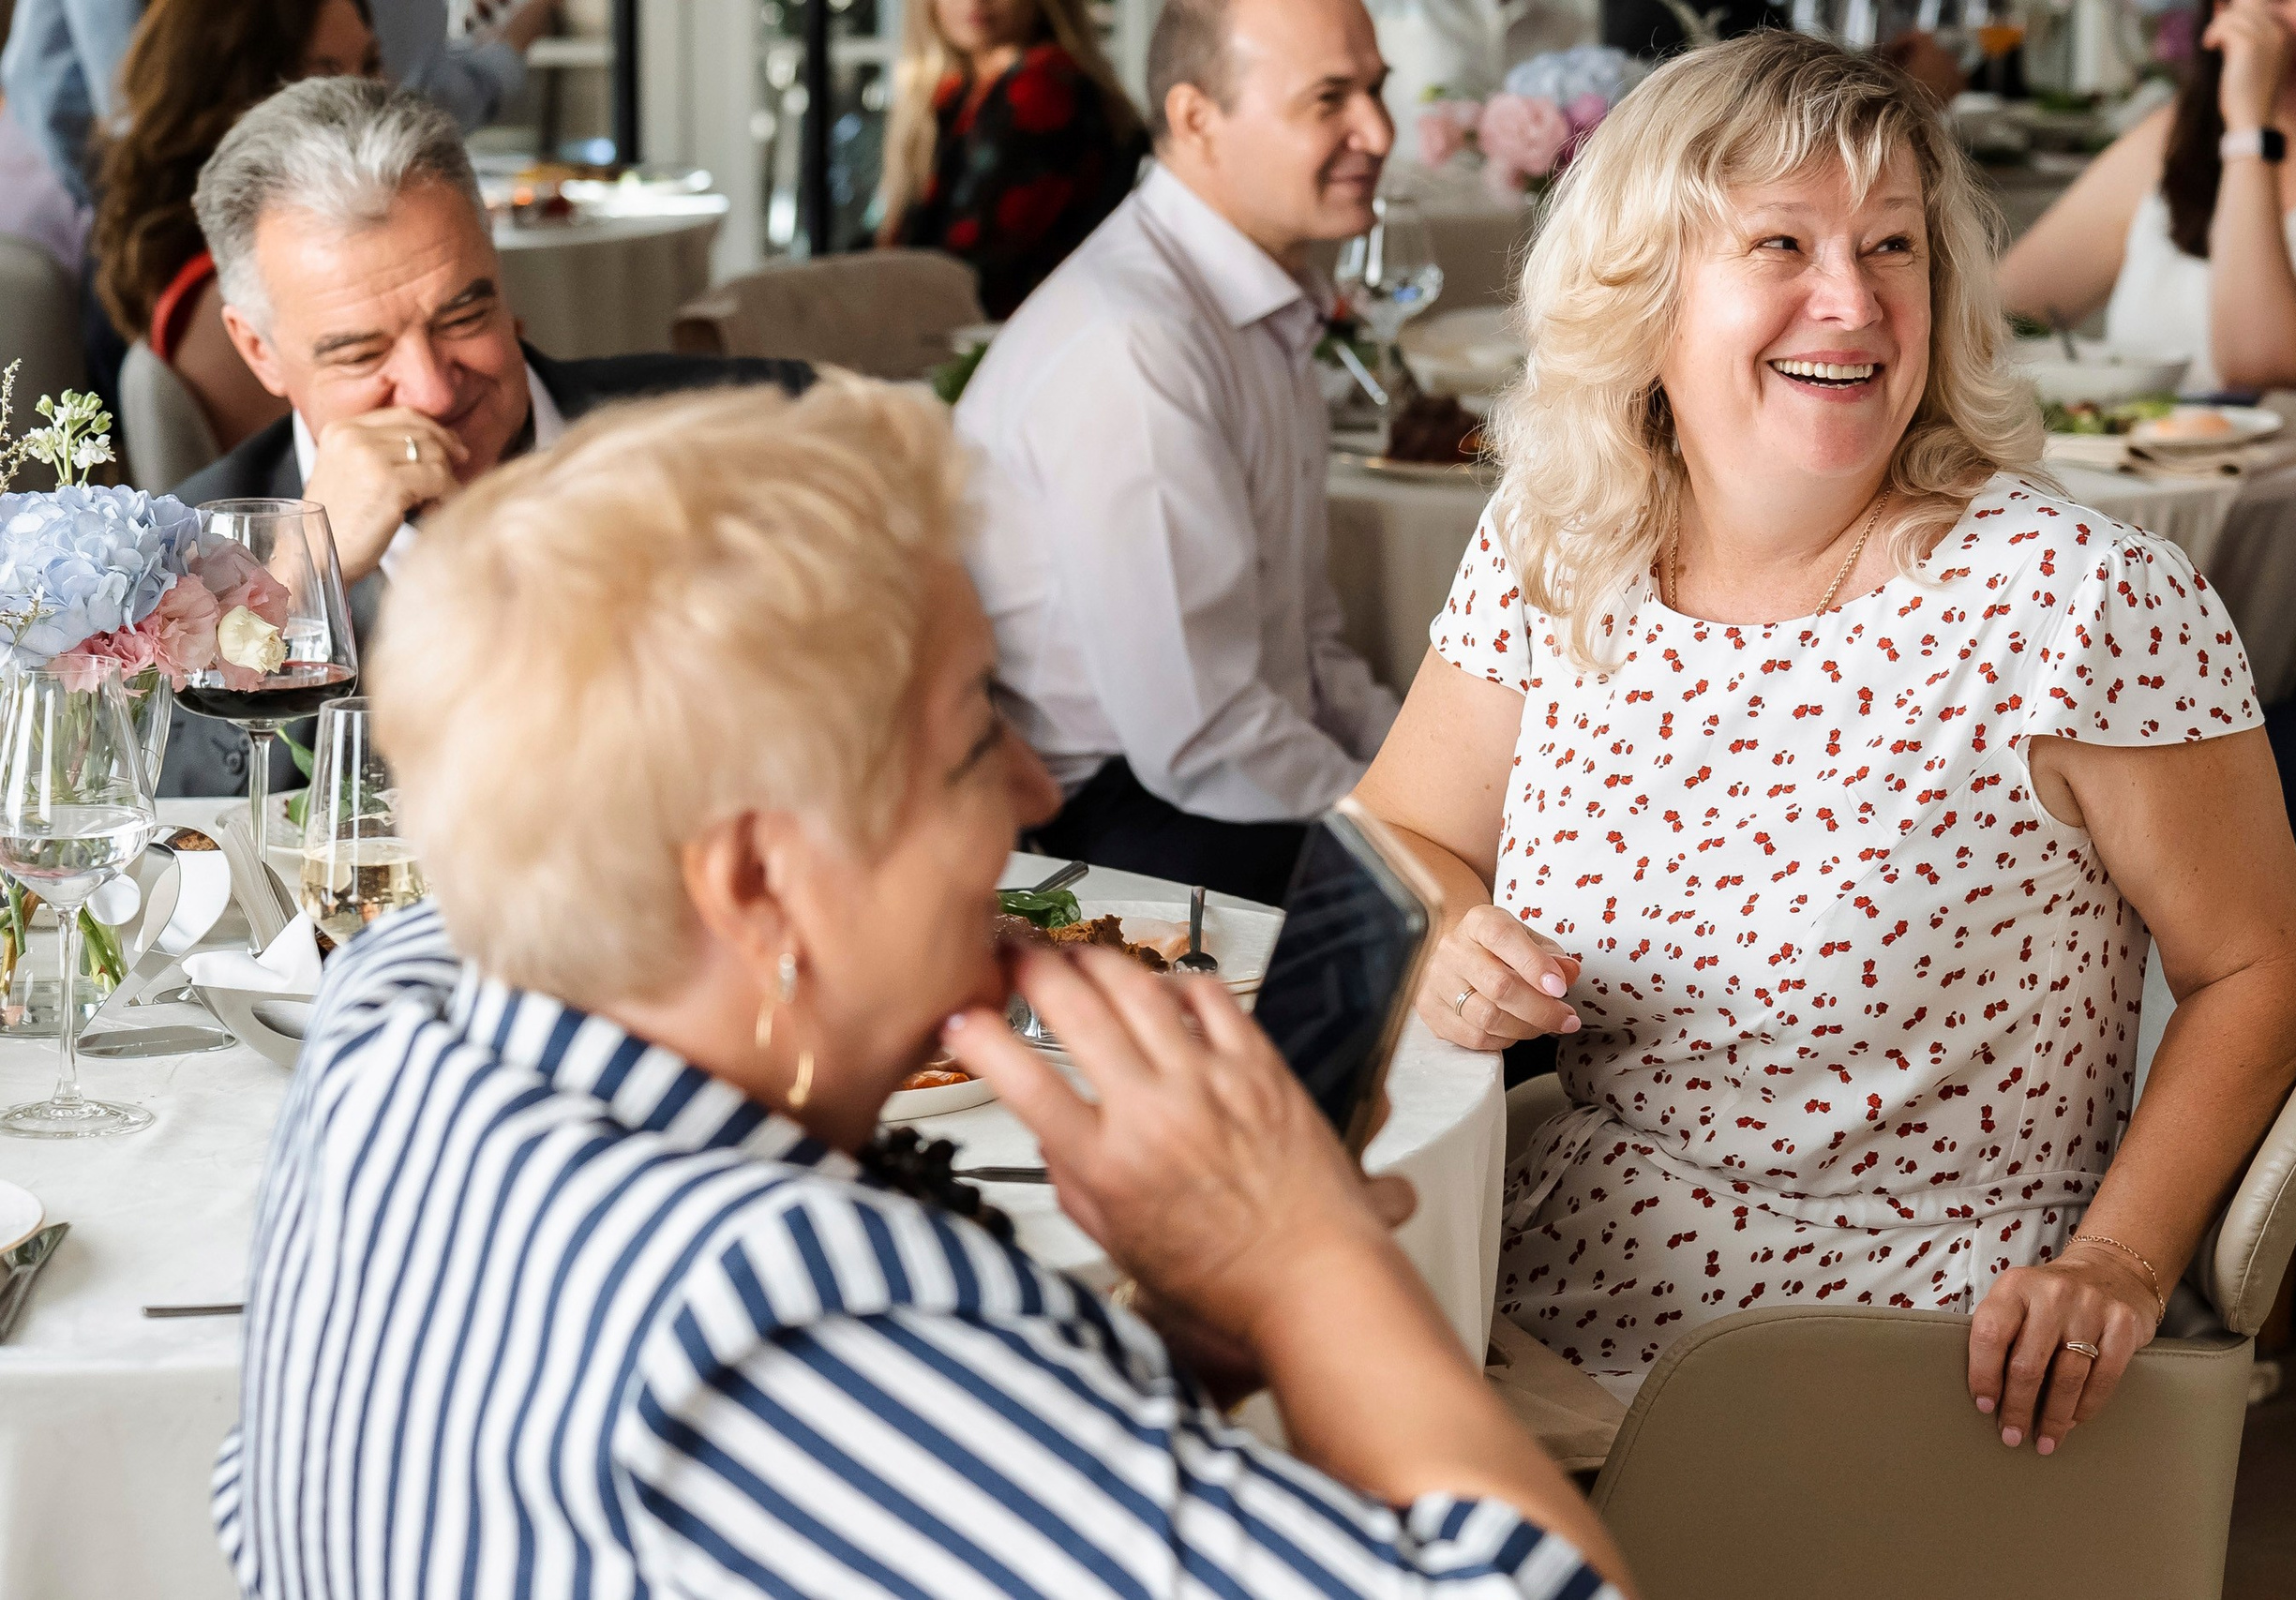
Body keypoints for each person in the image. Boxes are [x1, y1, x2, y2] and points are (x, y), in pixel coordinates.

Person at [211, 377, 1639, 1600]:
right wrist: (1303, 1254)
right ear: (760, 882)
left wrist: (1197, 1318)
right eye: (975, 740)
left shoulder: (397, 1014)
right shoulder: (788, 1332)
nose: (1036, 789)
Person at [1354, 32, 2296, 1459]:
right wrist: (1453, 927)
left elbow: (2266, 962)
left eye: (1895, 248)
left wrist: (2118, 1261)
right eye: (1781, 243)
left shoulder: (2073, 600)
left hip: (1904, 1347)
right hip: (1551, 1268)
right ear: (1646, 290)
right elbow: (1400, 830)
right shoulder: (1558, 545)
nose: (1854, 301)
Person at [163, 77, 814, 798]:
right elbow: (159, 822)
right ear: (258, 350)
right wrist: (300, 581)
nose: (436, 390)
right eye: (362, 354)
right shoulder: (176, 564)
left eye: (463, 317)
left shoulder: (760, 424)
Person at [954, 0, 1402, 905]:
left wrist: (1428, 777)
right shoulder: (1138, 343)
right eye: (1330, 99)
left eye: (1376, 90)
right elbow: (1200, 736)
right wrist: (1406, 828)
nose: (1379, 132)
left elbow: (1307, 644)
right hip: (1108, 827)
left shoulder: (1256, 300)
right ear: (1198, 118)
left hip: (1220, 774)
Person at [1998, 0, 2296, 615]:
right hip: (2136, 569)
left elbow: (2260, 362)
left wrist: (2248, 130)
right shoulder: (2173, 137)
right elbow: (1999, 308)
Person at [89, 0, 382, 456]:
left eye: (370, 65)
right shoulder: (236, 291)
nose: (366, 95)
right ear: (238, 90)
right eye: (327, 74)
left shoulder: (201, 261)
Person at [1, 0, 560, 208]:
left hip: (172, 224)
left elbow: (51, 85)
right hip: (192, 233)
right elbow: (412, 97)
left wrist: (126, 213)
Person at [875, 0, 1147, 318]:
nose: (974, 2)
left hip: (1004, 336)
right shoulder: (954, 91)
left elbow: (971, 267)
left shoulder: (1041, 85)